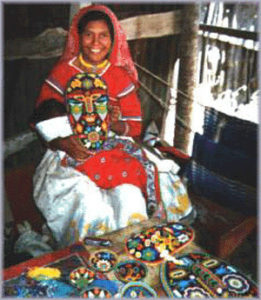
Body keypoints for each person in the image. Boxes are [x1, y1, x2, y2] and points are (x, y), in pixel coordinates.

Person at [31, 4, 193, 248]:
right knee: (84, 199)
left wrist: (116, 123)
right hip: (67, 145)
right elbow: (42, 120)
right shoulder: (63, 73)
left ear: (113, 38)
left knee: (135, 192)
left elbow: (134, 128)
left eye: (103, 35)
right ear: (78, 36)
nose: (96, 42)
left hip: (113, 145)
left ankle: (135, 247)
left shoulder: (119, 76)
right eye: (89, 34)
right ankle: (92, 253)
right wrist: (64, 143)